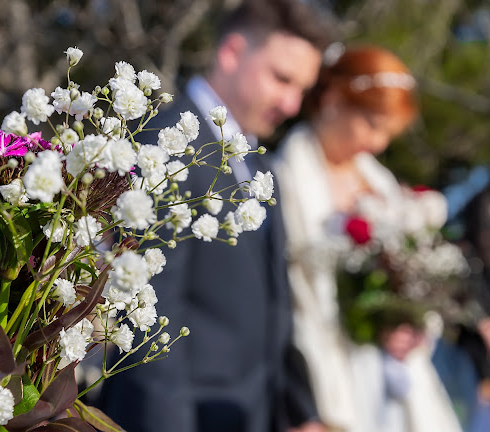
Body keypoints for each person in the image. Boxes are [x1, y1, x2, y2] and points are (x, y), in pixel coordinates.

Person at [98, 1, 334, 431]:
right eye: (282, 78)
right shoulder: (167, 143)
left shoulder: (263, 169)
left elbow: (274, 311)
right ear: (232, 51)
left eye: (302, 88)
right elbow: (148, 309)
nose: (292, 103)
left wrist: (301, 411)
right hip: (176, 414)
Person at [273, 45, 463, 432]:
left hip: (394, 376)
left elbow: (413, 278)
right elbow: (290, 298)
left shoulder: (381, 183)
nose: (377, 144)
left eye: (388, 133)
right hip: (326, 366)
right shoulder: (287, 177)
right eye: (371, 124)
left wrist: (411, 326)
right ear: (332, 99)